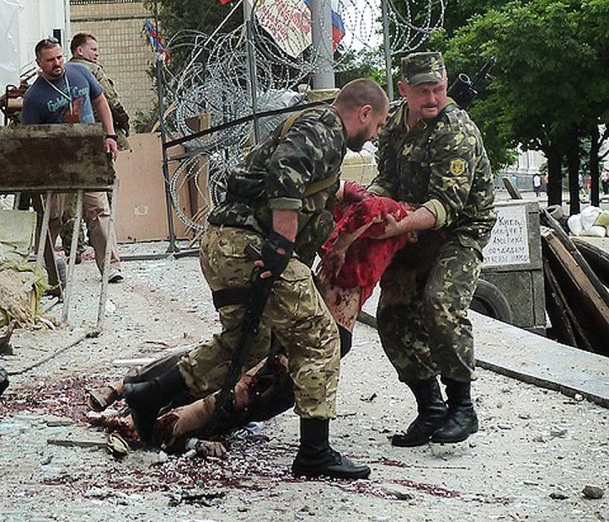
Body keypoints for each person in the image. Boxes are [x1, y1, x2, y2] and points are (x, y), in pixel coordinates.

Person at [124, 79, 389, 480]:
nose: (375, 135)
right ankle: (314, 452)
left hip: (226, 244)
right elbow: (285, 170)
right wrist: (283, 239)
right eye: (378, 125)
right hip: (250, 247)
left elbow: (296, 181)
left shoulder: (318, 132)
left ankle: (146, 395)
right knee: (321, 336)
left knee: (245, 343)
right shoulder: (326, 127)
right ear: (364, 112)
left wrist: (339, 194)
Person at [368, 52, 496, 447]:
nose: (432, 99)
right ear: (403, 90)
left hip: (460, 228)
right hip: (412, 226)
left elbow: (446, 205)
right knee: (393, 314)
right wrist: (367, 204)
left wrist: (399, 224)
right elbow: (388, 178)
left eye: (438, 89)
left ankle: (462, 408)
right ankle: (431, 408)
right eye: (422, 91)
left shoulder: (455, 130)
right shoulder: (394, 124)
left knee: (441, 302)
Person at [21, 38, 123, 283]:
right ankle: (45, 269)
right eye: (50, 60)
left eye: (59, 57)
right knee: (52, 216)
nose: (57, 63)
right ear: (39, 63)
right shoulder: (34, 96)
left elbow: (100, 101)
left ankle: (110, 266)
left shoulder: (80, 72)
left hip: (88, 155)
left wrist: (110, 135)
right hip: (57, 162)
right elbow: (30, 138)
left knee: (99, 210)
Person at [69, 32, 130, 150]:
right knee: (122, 151)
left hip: (74, 128)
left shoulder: (66, 70)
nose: (97, 53)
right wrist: (124, 120)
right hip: (100, 123)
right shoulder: (94, 69)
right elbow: (110, 99)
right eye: (93, 49)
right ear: (80, 50)